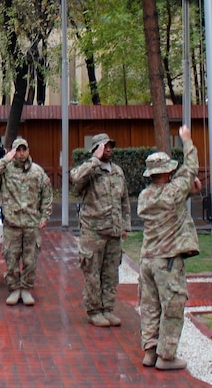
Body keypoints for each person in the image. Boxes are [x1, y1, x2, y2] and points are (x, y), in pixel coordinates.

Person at [137, 125, 201, 371]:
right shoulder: (173, 192)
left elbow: (177, 195)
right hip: (168, 261)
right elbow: (191, 168)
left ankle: (150, 351)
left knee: (150, 307)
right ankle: (167, 356)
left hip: (147, 260)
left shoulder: (145, 197)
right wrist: (187, 140)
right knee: (172, 307)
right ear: (166, 173)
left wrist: (188, 192)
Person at [0, 136, 53, 307]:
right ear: (13, 152)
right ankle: (14, 289)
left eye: (24, 150)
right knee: (11, 258)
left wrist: (44, 216)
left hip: (31, 224)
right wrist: (5, 159)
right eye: (17, 150)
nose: (21, 154)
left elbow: (47, 195)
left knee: (30, 259)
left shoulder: (37, 172)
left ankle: (26, 288)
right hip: (12, 224)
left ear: (28, 151)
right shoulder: (5, 170)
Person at [69, 133, 130, 327]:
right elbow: (76, 179)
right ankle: (94, 310)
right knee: (93, 274)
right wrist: (95, 159)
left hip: (113, 231)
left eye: (111, 146)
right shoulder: (88, 170)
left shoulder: (117, 172)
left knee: (111, 273)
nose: (109, 149)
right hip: (93, 232)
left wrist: (125, 225)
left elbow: (124, 201)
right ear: (96, 149)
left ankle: (108, 309)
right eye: (105, 146)